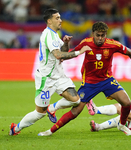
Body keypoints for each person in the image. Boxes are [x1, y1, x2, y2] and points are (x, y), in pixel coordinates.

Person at [38, 21, 131, 136]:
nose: (100, 38)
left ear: (106, 34)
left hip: (107, 80)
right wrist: (66, 43)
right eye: (98, 35)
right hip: (89, 83)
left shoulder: (112, 44)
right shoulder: (86, 43)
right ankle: (49, 131)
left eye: (103, 35)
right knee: (75, 112)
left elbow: (130, 52)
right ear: (93, 34)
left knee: (127, 103)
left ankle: (122, 125)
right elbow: (66, 55)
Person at [9, 8, 91, 136]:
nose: (60, 20)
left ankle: (52, 108)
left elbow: (63, 53)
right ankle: (16, 128)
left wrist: (65, 43)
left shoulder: (54, 35)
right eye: (57, 18)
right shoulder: (47, 35)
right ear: (49, 20)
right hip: (46, 79)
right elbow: (58, 55)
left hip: (59, 76)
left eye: (60, 17)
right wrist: (79, 52)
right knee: (39, 113)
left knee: (75, 100)